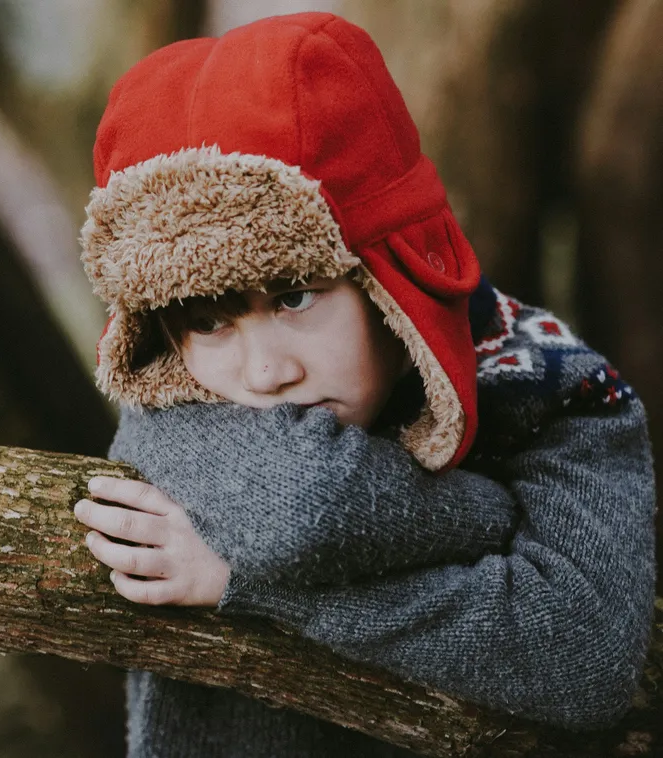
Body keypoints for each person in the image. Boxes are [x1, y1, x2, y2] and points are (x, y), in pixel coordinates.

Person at [70, 12, 656, 757]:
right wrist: (486, 516)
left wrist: (249, 580)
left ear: (388, 278)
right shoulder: (173, 390)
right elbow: (304, 509)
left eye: (292, 297)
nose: (264, 372)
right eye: (209, 319)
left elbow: (580, 660)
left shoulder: (557, 393)